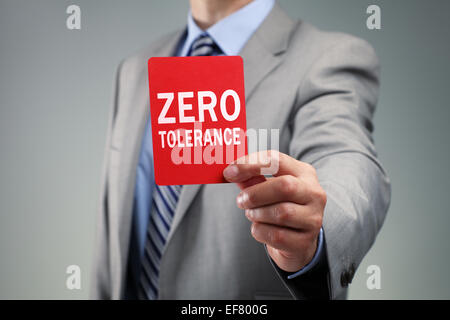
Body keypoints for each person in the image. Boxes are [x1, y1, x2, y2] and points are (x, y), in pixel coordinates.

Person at [91, 0, 391, 300]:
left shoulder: (327, 57)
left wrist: (318, 223)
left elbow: (348, 161)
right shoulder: (133, 70)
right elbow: (112, 250)